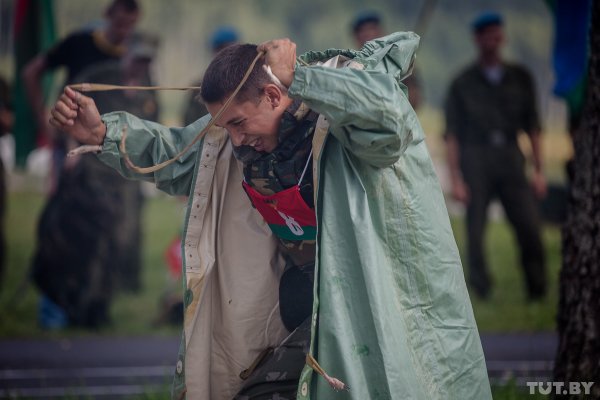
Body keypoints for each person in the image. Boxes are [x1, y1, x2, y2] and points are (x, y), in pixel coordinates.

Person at [50, 34, 491, 399]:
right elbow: (179, 155)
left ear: (275, 94)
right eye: (226, 127)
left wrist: (301, 76)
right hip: (301, 306)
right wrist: (105, 133)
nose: (235, 138)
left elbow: (388, 124)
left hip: (375, 300)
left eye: (240, 122)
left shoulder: (340, 113)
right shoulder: (233, 140)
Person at [443, 12, 547, 300]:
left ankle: (536, 288)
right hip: (475, 156)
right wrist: (456, 179)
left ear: (502, 36)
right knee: (475, 230)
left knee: (529, 226)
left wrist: (539, 171)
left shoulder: (521, 78)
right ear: (477, 40)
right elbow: (451, 134)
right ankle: (480, 288)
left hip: (512, 156)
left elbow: (534, 128)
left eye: (495, 33)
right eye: (485, 34)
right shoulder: (462, 82)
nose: (491, 39)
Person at [23, 0, 140, 179]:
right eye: (120, 24)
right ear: (108, 15)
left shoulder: (132, 60)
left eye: (130, 25)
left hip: (110, 147)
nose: (124, 31)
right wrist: (43, 117)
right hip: (70, 143)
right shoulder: (78, 43)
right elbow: (31, 73)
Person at [351, 10, 422, 110]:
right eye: (363, 32)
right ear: (357, 38)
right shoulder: (351, 67)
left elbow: (415, 99)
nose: (368, 35)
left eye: (372, 30)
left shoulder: (400, 62)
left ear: (381, 33)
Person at [181, 26, 240, 126]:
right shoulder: (200, 86)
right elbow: (190, 125)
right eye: (221, 49)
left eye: (230, 50)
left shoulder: (248, 82)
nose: (226, 55)